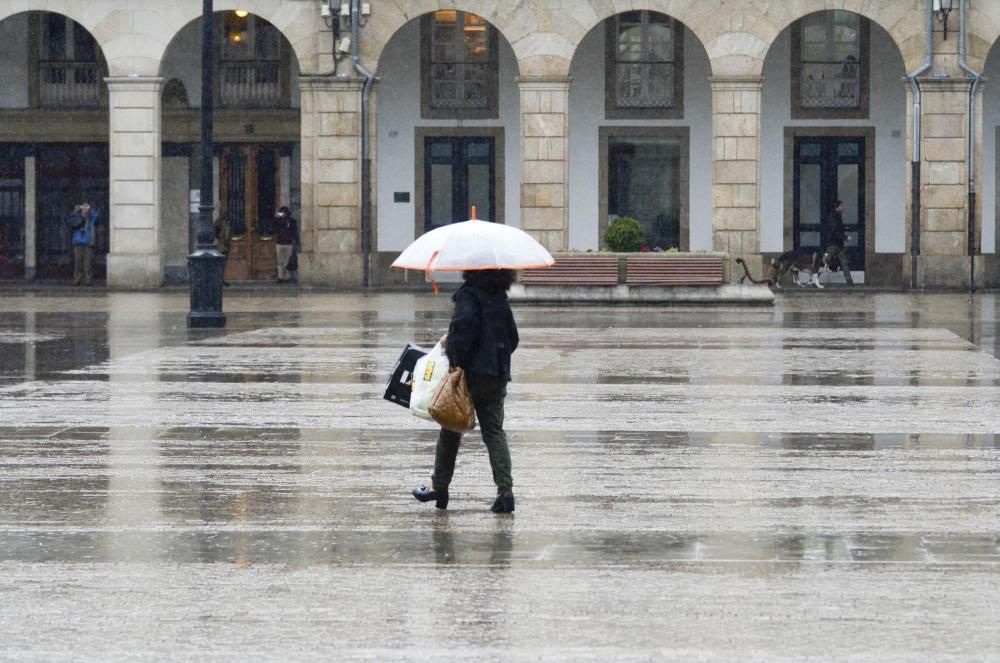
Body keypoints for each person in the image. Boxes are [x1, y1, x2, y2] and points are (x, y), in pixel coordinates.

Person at [412, 269, 520, 514]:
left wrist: (451, 350)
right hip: (496, 375)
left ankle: (440, 489)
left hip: (469, 376)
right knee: (494, 432)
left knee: (449, 428)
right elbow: (513, 339)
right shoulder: (500, 298)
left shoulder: (469, 295)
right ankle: (505, 492)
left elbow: (463, 333)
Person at [66, 202, 99, 286]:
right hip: (78, 241)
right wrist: (76, 211)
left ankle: (88, 279)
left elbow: (97, 216)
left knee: (88, 262)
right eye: (83, 208)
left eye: (85, 208)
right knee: (78, 262)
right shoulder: (77, 216)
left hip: (88, 242)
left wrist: (90, 209)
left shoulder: (91, 217)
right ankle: (77, 279)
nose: (84, 209)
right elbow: (70, 220)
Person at [824, 200, 854, 286]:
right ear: (836, 208)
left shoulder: (837, 217)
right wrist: (845, 237)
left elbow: (838, 230)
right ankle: (814, 278)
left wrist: (844, 238)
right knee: (825, 262)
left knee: (844, 262)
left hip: (838, 244)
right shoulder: (834, 217)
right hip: (833, 244)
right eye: (841, 206)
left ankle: (850, 283)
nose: (842, 207)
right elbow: (835, 231)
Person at [273, 206, 299, 283]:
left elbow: (295, 231)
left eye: (284, 212)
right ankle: (280, 277)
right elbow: (274, 227)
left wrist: (296, 240)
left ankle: (287, 277)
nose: (283, 214)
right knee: (280, 261)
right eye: (281, 212)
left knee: (287, 261)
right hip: (280, 243)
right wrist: (276, 218)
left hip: (288, 243)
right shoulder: (278, 221)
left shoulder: (292, 221)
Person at [214, 216, 232, 287]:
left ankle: (218, 279)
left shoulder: (217, 223)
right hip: (223, 247)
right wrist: (227, 243)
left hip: (218, 246)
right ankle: (220, 280)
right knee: (222, 264)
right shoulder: (226, 225)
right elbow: (227, 237)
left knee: (218, 265)